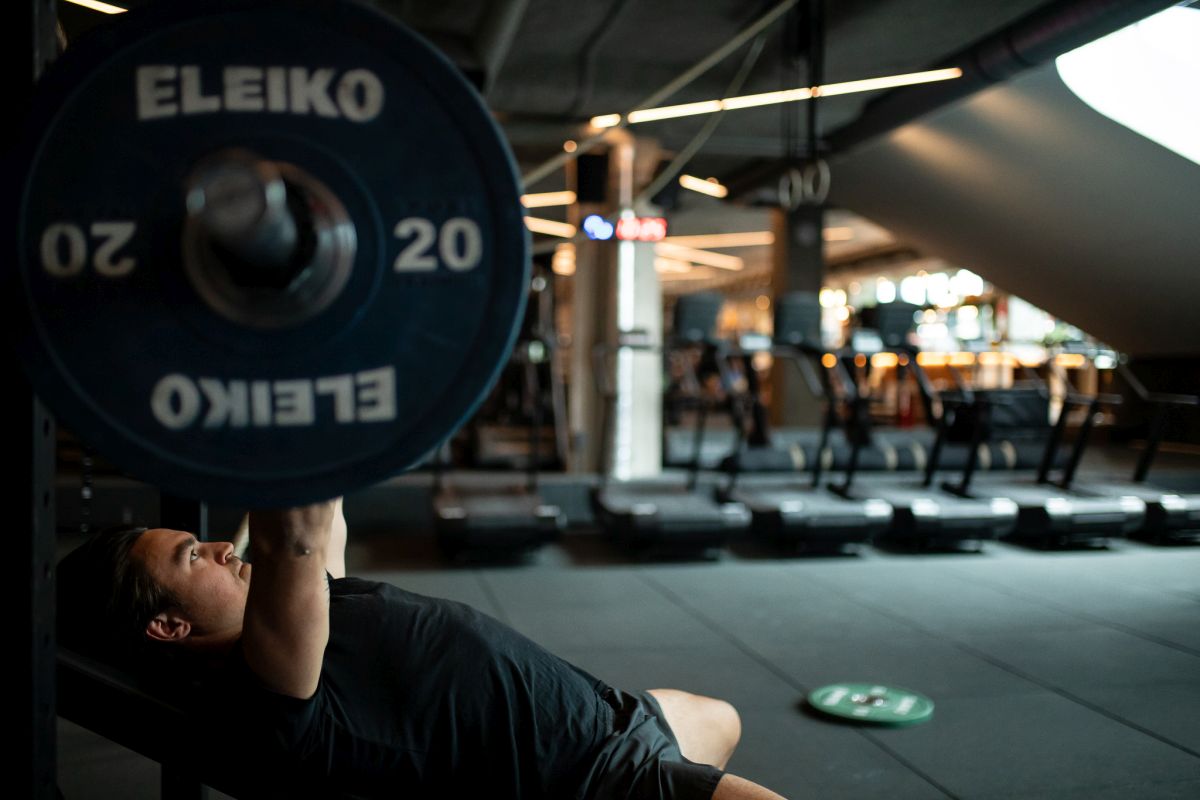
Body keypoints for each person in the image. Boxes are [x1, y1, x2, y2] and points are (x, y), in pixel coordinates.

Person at [57, 497, 788, 799]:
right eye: (191, 557)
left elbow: (325, 516)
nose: (219, 546)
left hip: (610, 718)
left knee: (720, 716)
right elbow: (298, 534)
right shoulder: (270, 677)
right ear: (168, 627)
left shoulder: (303, 618)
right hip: (596, 780)